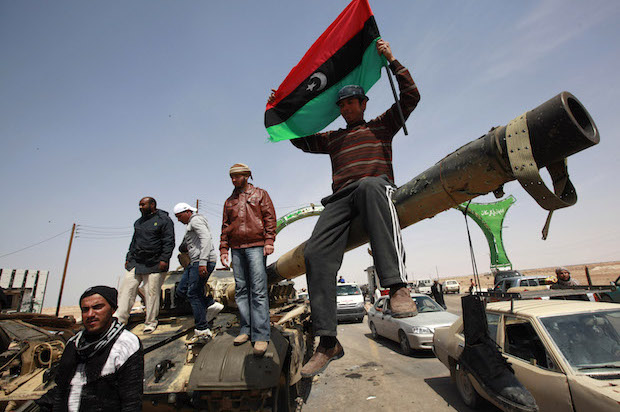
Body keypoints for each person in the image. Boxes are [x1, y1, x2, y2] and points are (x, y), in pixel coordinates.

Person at [270, 39, 421, 377]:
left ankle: (396, 285)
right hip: (340, 200)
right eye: (344, 104)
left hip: (373, 190)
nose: (349, 107)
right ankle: (327, 341)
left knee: (371, 185)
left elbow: (411, 96)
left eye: (354, 102)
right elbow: (301, 139)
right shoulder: (334, 139)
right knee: (315, 253)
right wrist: (280, 110)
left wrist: (393, 60)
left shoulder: (382, 126)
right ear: (340, 109)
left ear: (364, 104)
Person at [37, 286, 143, 411]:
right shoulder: (74, 344)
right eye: (85, 310)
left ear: (113, 309)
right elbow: (61, 390)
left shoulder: (125, 344)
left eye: (97, 307)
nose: (90, 314)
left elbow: (131, 402)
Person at [220, 163, 277, 357]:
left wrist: (269, 241)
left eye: (237, 177)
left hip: (256, 246)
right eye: (232, 178)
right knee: (241, 290)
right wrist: (223, 250)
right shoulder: (229, 201)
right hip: (236, 249)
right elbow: (225, 227)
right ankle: (246, 329)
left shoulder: (260, 194)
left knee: (258, 290)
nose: (234, 180)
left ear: (247, 176)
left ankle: (261, 335)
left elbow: (270, 217)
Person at [116, 197, 175, 333]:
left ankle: (150, 322)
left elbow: (169, 241)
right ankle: (120, 320)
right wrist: (128, 258)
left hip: (155, 263)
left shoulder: (164, 220)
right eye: (139, 205)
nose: (140, 207)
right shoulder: (138, 222)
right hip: (136, 262)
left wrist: (164, 259)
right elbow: (134, 242)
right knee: (127, 290)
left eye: (143, 204)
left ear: (152, 205)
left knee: (151, 293)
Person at [174, 202, 223, 343]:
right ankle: (210, 303)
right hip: (194, 262)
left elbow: (206, 239)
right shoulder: (192, 223)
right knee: (182, 290)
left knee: (193, 293)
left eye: (179, 216)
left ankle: (202, 329)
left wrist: (202, 262)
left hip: (202, 261)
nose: (178, 219)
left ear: (187, 212)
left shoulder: (196, 221)